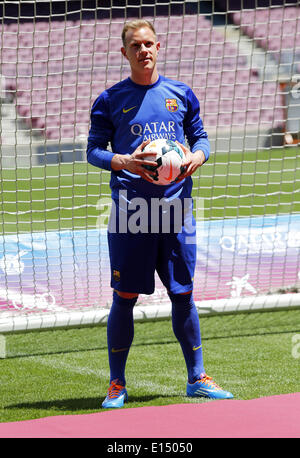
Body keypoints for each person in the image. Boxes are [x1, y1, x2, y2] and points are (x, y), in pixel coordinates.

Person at [86, 19, 234, 408]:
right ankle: (117, 384)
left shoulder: (180, 93)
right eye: (135, 45)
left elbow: (200, 136)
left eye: (149, 43)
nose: (143, 50)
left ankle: (197, 377)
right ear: (125, 53)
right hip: (131, 213)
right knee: (125, 295)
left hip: (176, 211)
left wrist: (197, 155)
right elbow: (92, 150)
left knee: (183, 294)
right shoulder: (109, 99)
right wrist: (122, 160)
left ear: (158, 46)